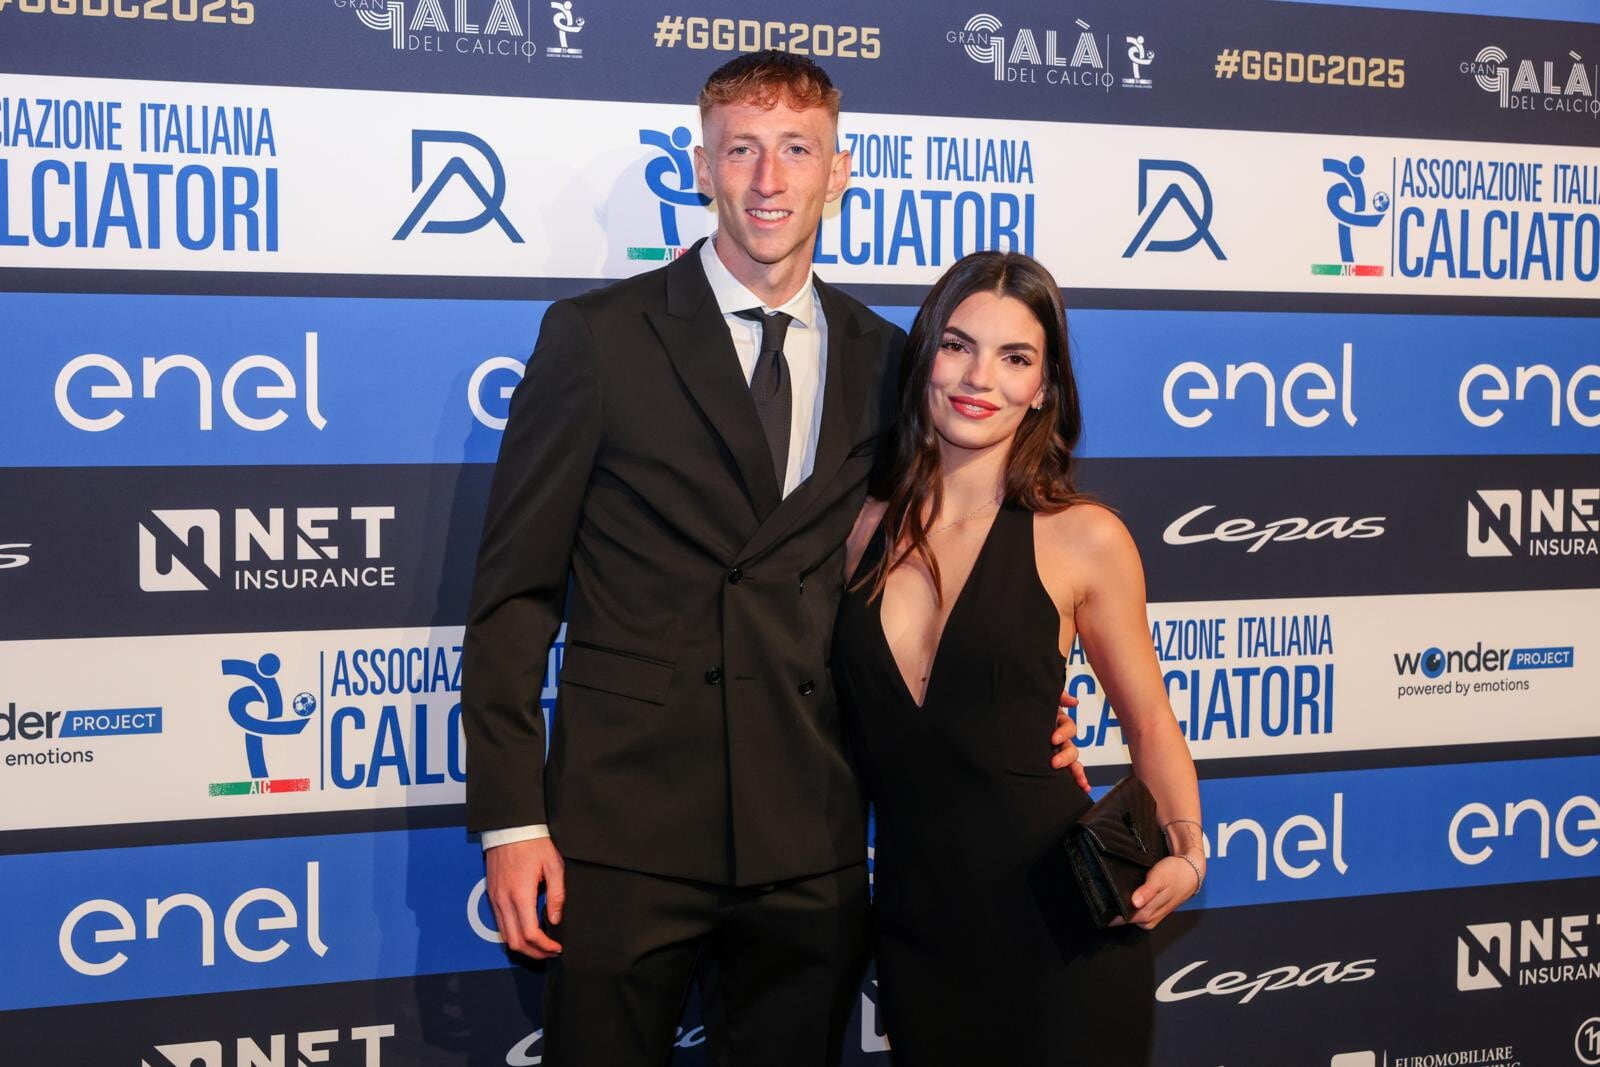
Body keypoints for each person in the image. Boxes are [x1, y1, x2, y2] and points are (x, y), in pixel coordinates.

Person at [462, 52, 1086, 1066]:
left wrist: (1010, 709)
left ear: (838, 173)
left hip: (808, 831)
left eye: (797, 150)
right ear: (700, 166)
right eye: (741, 149)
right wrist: (509, 819)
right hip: (621, 830)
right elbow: (514, 597)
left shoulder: (891, 360)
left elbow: (939, 557)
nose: (768, 179)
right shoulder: (597, 338)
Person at [834, 251, 1205, 1066]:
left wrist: (1186, 846)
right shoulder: (854, 529)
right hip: (919, 937)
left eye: (1015, 358)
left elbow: (1148, 717)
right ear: (925, 356)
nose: (980, 379)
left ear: (1044, 387)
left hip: (1065, 933)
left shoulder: (1084, 537)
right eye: (958, 345)